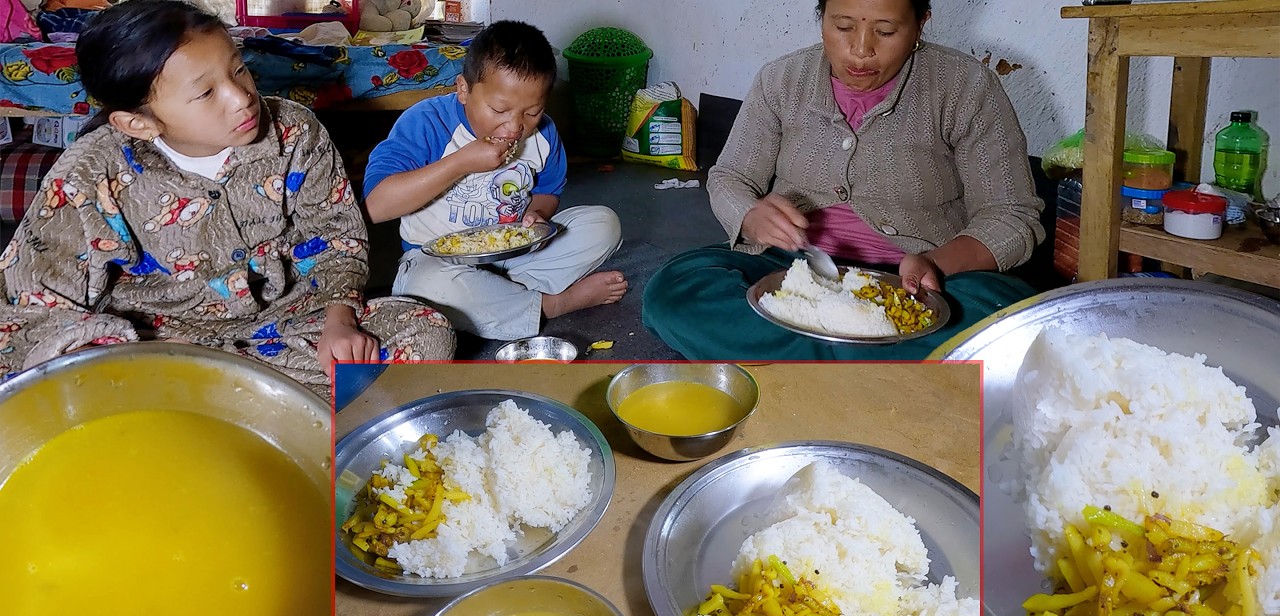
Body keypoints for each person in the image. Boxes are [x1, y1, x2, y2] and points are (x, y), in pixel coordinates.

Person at [0, 0, 454, 395]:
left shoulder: (294, 132)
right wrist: (113, 350)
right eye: (205, 92)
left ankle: (251, 411)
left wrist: (340, 321)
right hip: (158, 346)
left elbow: (338, 238)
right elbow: (31, 305)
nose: (241, 97)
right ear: (138, 123)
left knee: (426, 332)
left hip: (288, 326)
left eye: (238, 69)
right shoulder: (91, 173)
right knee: (72, 383)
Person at [642, 0, 1044, 360]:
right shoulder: (781, 80)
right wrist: (750, 215)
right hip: (794, 271)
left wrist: (933, 263)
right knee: (674, 291)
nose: (861, 49)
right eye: (844, 26)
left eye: (886, 31)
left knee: (1014, 323)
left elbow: (1011, 214)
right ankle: (877, 366)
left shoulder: (966, 86)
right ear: (822, 20)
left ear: (921, 23)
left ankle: (796, 358)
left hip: (920, 281)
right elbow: (730, 176)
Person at [363, 20, 627, 341]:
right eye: (499, 109)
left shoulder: (543, 133)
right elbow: (376, 206)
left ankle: (503, 297)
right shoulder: (425, 123)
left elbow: (547, 191)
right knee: (427, 289)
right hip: (434, 260)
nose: (515, 126)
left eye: (531, 112)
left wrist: (538, 216)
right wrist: (459, 163)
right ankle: (551, 304)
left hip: (516, 257)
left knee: (603, 223)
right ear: (463, 89)